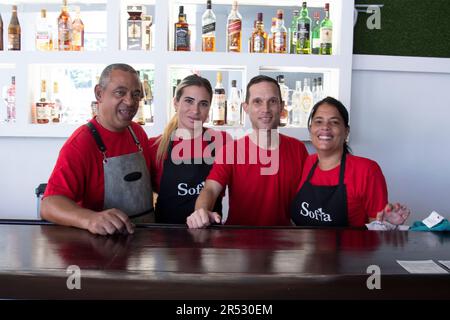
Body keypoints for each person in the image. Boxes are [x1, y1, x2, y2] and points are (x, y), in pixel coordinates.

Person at [41, 63, 153, 235]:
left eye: (135, 94)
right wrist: (90, 218)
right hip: (102, 245)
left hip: (141, 242)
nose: (130, 101)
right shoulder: (81, 143)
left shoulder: (137, 133)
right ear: (99, 94)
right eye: (120, 92)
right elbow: (49, 205)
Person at [187, 75, 309, 228]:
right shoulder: (231, 151)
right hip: (239, 244)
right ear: (246, 108)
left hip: (284, 244)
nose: (265, 109)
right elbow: (210, 189)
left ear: (281, 106)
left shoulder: (298, 149)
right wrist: (201, 210)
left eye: (272, 101)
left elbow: (308, 198)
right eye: (257, 102)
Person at [290, 97, 410, 227]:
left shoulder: (367, 170)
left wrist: (388, 223)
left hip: (349, 248)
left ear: (346, 132)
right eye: (318, 121)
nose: (325, 127)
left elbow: (378, 229)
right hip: (305, 247)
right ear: (310, 129)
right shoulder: (307, 163)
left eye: (334, 122)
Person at [149, 75, 230, 224]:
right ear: (175, 103)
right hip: (165, 238)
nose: (196, 110)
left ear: (209, 108)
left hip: (209, 237)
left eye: (203, 104)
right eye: (189, 101)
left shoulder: (222, 141)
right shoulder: (154, 147)